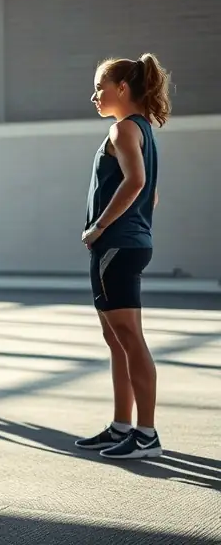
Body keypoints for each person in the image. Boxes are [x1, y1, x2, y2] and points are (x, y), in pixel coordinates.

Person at [75, 54, 170, 461]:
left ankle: (146, 435)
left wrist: (99, 228)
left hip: (117, 245)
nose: (94, 95)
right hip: (123, 243)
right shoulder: (140, 130)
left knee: (130, 339)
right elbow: (150, 192)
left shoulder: (123, 130)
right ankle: (121, 425)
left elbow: (137, 183)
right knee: (117, 340)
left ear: (122, 90)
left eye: (100, 87)